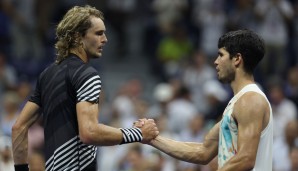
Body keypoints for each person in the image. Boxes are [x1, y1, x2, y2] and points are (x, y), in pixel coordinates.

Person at [11, 5, 159, 171]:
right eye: (98, 33)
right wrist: (138, 134)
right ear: (77, 37)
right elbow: (89, 132)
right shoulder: (87, 75)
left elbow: (18, 127)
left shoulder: (47, 74)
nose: (105, 39)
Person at [136, 29, 273, 170]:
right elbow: (203, 152)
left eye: (221, 55)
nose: (215, 62)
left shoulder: (250, 99)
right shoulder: (239, 102)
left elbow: (245, 159)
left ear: (237, 59)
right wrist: (152, 139)